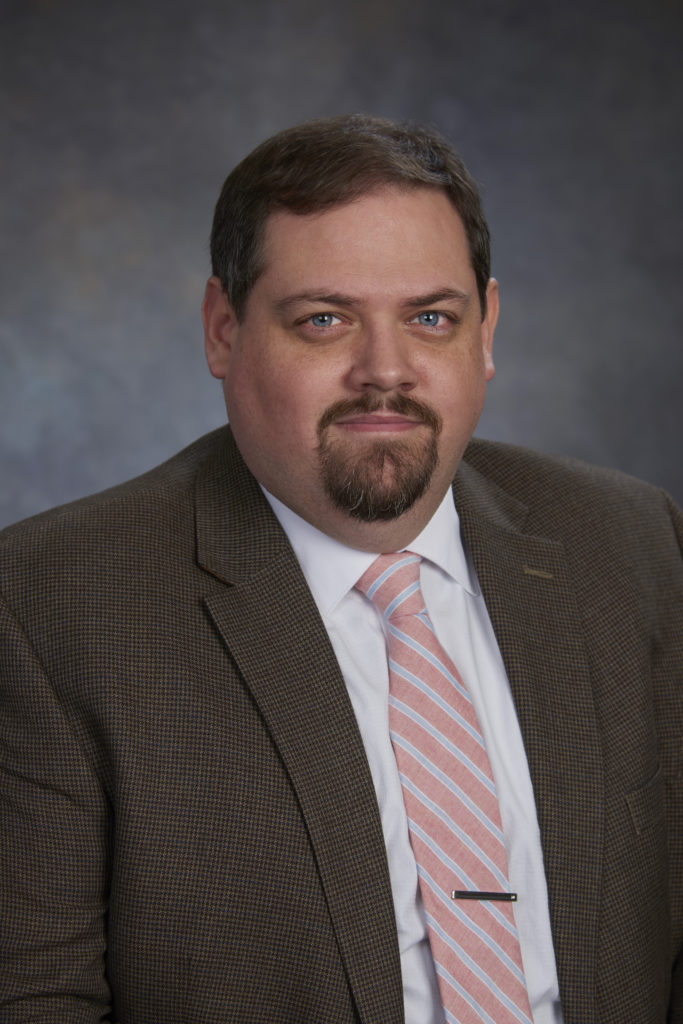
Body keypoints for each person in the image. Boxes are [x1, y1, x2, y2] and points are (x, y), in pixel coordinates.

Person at [0, 114, 681, 1024]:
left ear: (485, 332)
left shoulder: (632, 543)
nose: (384, 372)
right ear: (222, 331)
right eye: (324, 320)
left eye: (430, 319)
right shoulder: (50, 605)